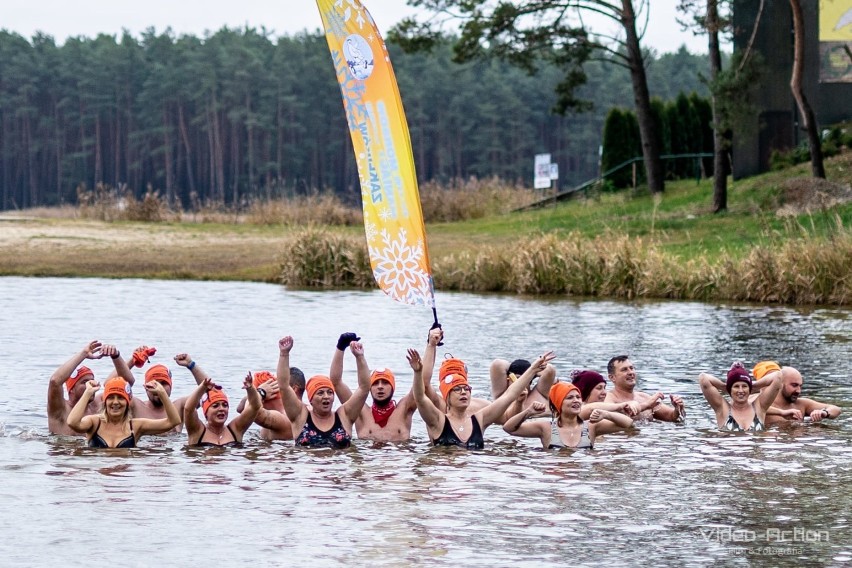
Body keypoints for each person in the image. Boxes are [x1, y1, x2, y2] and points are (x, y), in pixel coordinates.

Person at [412, 347, 556, 450]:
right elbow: (420, 397)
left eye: (466, 389)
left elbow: (509, 396)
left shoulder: (480, 418)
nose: (463, 393)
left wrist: (532, 370)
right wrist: (418, 372)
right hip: (445, 483)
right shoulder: (437, 420)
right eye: (457, 389)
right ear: (447, 396)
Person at [276, 335, 370, 449]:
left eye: (330, 392)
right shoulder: (300, 415)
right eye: (320, 393)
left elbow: (364, 388)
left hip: (340, 466)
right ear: (310, 399)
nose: (326, 397)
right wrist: (284, 354)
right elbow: (284, 387)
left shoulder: (345, 415)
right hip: (307, 465)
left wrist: (359, 357)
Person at [503, 381, 633, 449]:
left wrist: (607, 414)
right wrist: (527, 412)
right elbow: (508, 428)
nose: (576, 401)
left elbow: (628, 424)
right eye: (570, 398)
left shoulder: (592, 427)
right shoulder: (545, 428)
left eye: (578, 397)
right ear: (559, 403)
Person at [47, 341, 135, 435]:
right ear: (71, 389)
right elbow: (55, 382)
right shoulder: (60, 409)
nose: (91, 384)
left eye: (92, 380)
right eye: (84, 382)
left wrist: (116, 356)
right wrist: (84, 353)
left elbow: (126, 384)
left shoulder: (97, 405)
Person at [66, 376, 180, 448]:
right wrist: (87, 393)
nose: (115, 402)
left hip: (124, 479)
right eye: (111, 397)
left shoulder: (135, 426)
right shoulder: (95, 422)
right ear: (105, 402)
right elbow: (72, 422)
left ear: (128, 402)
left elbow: (173, 421)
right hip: (99, 479)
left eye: (120, 398)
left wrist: (162, 394)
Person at [183, 360, 261, 446]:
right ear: (206, 412)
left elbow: (255, 407)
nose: (221, 409)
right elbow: (188, 409)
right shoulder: (197, 430)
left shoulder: (236, 428)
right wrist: (202, 387)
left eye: (225, 405)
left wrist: (251, 389)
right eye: (215, 406)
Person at [698, 362, 782, 432]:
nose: (741, 391)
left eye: (744, 386)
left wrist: (755, 386)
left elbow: (778, 376)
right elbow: (703, 378)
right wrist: (724, 387)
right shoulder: (722, 409)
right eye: (736, 386)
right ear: (730, 389)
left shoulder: (759, 407)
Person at [128, 356, 200, 433]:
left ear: (171, 387)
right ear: (145, 387)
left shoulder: (180, 406)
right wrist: (132, 361)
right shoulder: (135, 405)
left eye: (163, 383)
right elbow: (114, 388)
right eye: (154, 383)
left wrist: (192, 365)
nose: (159, 387)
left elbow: (210, 394)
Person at [755, 363, 842, 426]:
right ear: (779, 383)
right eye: (794, 385)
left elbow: (836, 409)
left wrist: (824, 413)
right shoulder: (759, 404)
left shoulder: (802, 404)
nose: (798, 391)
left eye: (800, 386)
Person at [604, 355, 685, 422]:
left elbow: (671, 417)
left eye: (631, 368)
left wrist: (678, 409)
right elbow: (609, 417)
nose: (631, 373)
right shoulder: (608, 398)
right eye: (624, 370)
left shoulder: (644, 397)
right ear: (612, 377)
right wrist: (647, 405)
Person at [489, 356, 556, 424]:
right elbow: (498, 364)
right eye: (515, 378)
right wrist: (531, 369)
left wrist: (533, 371)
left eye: (522, 379)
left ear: (530, 379)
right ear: (508, 379)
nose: (518, 383)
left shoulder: (540, 393)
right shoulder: (502, 395)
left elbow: (549, 369)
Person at [570, 369, 638, 420]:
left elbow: (628, 422)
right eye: (599, 388)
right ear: (585, 390)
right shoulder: (574, 411)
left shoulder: (604, 409)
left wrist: (634, 404)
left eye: (604, 388)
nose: (604, 392)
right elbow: (590, 408)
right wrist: (622, 405)